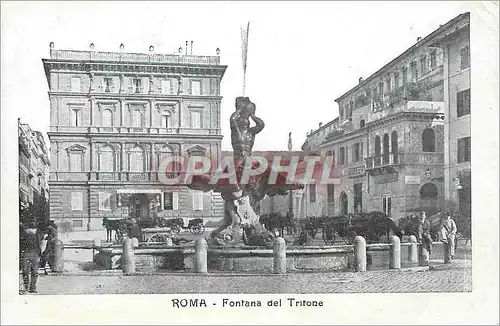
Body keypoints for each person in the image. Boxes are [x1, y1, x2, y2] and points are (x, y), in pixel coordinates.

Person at [20, 221, 45, 294]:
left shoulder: (23, 233)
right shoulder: (39, 234)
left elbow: (21, 245)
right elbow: (42, 244)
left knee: (25, 271)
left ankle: (26, 287)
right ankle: (33, 288)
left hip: (26, 254)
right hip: (35, 254)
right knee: (34, 272)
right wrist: (40, 253)